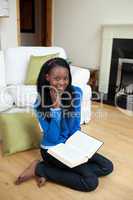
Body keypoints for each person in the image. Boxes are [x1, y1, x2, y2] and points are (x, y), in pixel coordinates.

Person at [15, 57, 113, 191]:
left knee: (107, 166)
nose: (62, 83)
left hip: (70, 144)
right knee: (91, 182)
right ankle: (41, 168)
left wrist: (79, 145)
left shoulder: (76, 92)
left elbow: (74, 126)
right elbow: (53, 138)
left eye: (65, 78)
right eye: (56, 78)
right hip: (51, 149)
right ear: (47, 77)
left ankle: (51, 171)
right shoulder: (40, 103)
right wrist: (56, 109)